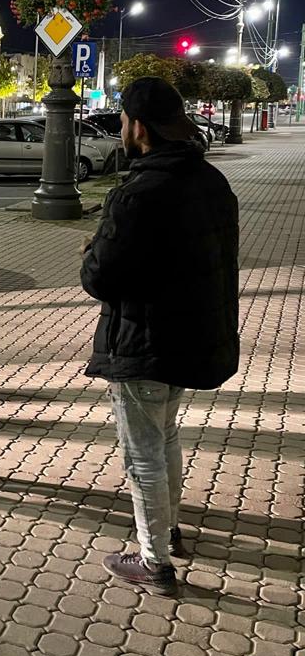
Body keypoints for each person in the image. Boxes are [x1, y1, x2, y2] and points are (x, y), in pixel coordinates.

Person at [81, 76, 239, 594]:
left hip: (144, 342)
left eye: (125, 121)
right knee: (166, 435)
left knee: (142, 453)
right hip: (192, 337)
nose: (122, 130)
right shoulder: (211, 181)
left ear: (139, 129)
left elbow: (100, 277)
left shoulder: (139, 193)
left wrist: (93, 250)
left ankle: (154, 563)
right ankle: (167, 531)